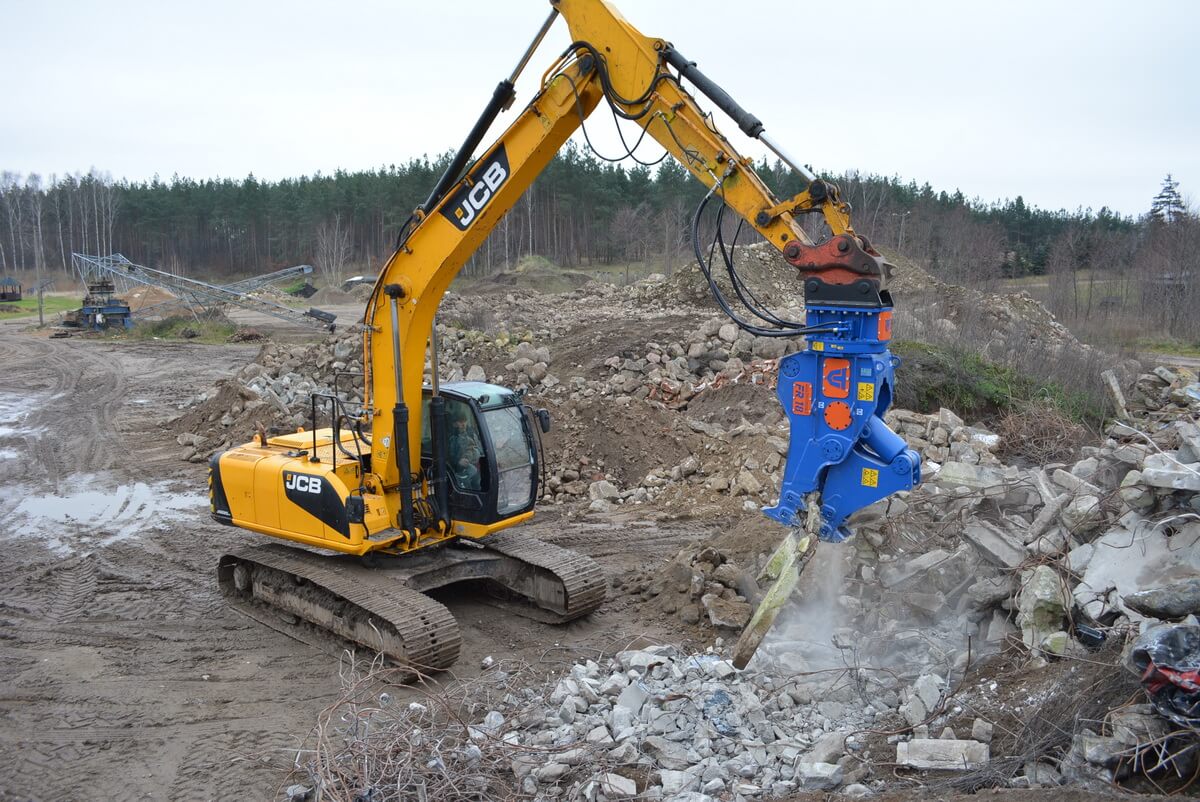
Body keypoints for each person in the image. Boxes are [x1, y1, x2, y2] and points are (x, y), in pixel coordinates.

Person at [448, 407, 482, 490]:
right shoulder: (452, 438)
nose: (463, 424)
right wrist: (458, 462)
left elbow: (480, 450)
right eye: (460, 422)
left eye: (465, 421)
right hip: (460, 471)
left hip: (475, 465)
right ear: (454, 424)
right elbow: (449, 457)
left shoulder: (472, 433)